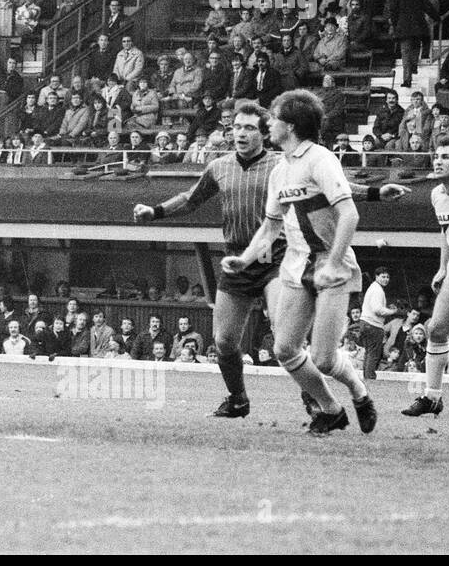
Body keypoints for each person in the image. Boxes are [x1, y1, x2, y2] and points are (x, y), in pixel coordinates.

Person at [135, 100, 406, 419]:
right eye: (236, 126)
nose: (241, 133)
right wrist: (155, 211)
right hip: (238, 257)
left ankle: (317, 399)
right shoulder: (219, 167)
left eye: (249, 127)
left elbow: (337, 187)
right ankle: (237, 399)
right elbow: (191, 199)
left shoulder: (283, 164)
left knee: (284, 334)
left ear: (264, 133)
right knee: (223, 341)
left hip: (277, 256)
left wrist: (374, 193)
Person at [221, 90, 378, 435]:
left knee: (323, 357)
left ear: (289, 126)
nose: (268, 124)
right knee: (285, 349)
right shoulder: (281, 169)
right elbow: (270, 226)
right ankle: (330, 409)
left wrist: (335, 263)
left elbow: (349, 214)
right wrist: (244, 259)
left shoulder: (320, 159)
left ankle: (359, 393)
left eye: (273, 118)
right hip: (295, 265)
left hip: (330, 265)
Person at [404, 135, 449, 418]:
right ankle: (432, 397)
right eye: (436, 156)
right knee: (436, 329)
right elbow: (446, 232)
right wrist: (443, 267)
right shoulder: (436, 194)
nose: (438, 161)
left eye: (446, 157)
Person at [358, 267, 399, 381]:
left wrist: (386, 308)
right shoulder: (377, 290)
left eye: (387, 277)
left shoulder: (374, 288)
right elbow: (377, 309)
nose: (386, 279)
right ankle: (370, 377)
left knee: (368, 353)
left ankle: (367, 377)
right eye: (383, 277)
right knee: (373, 354)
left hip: (365, 322)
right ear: (376, 277)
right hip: (373, 325)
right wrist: (392, 311)